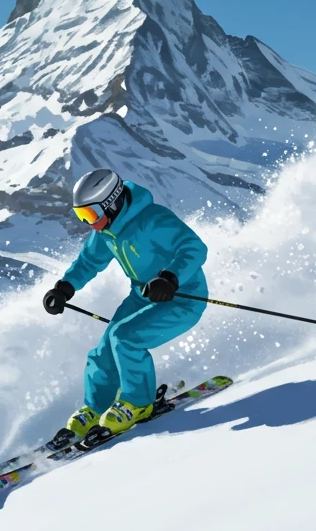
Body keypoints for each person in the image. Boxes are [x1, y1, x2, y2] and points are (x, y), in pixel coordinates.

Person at [42, 168, 209, 442]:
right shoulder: (107, 230)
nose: (88, 223)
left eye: (91, 214)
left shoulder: (153, 220)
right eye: (81, 216)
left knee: (125, 338)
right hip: (141, 295)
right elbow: (89, 261)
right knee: (104, 350)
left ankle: (138, 403)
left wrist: (170, 277)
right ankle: (97, 408)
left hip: (182, 297)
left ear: (111, 203)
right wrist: (64, 288)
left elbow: (194, 247)